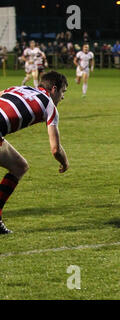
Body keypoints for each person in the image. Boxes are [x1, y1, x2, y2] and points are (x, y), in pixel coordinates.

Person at [0, 71, 69, 234]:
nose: (63, 97)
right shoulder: (49, 106)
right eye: (63, 92)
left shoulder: (20, 88)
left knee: (19, 165)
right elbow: (55, 149)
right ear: (54, 89)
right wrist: (65, 162)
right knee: (19, 167)